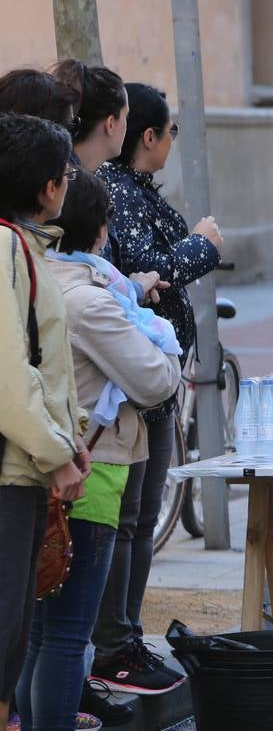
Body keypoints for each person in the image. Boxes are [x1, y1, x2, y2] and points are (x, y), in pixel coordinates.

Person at [18, 170, 181, 731]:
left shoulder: (36, 278)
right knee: (66, 634)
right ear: (99, 230)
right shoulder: (92, 300)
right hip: (93, 471)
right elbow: (156, 379)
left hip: (42, 469)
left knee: (39, 632)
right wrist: (165, 345)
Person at [92, 84, 222, 696]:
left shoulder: (129, 190)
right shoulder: (118, 193)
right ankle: (113, 642)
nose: (173, 143)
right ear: (146, 135)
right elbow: (150, 274)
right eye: (170, 132)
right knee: (131, 519)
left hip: (153, 379)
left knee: (140, 520)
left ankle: (123, 636)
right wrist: (203, 245)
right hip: (137, 383)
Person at [0, 115, 89, 729]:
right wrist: (56, 454)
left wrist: (69, 439)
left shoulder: (21, 246)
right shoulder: (5, 246)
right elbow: (10, 374)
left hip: (24, 470)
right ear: (46, 188)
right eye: (64, 175)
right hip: (11, 474)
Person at [52, 60, 128, 171]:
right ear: (110, 124)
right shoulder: (68, 181)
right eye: (125, 116)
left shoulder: (58, 168)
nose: (126, 124)